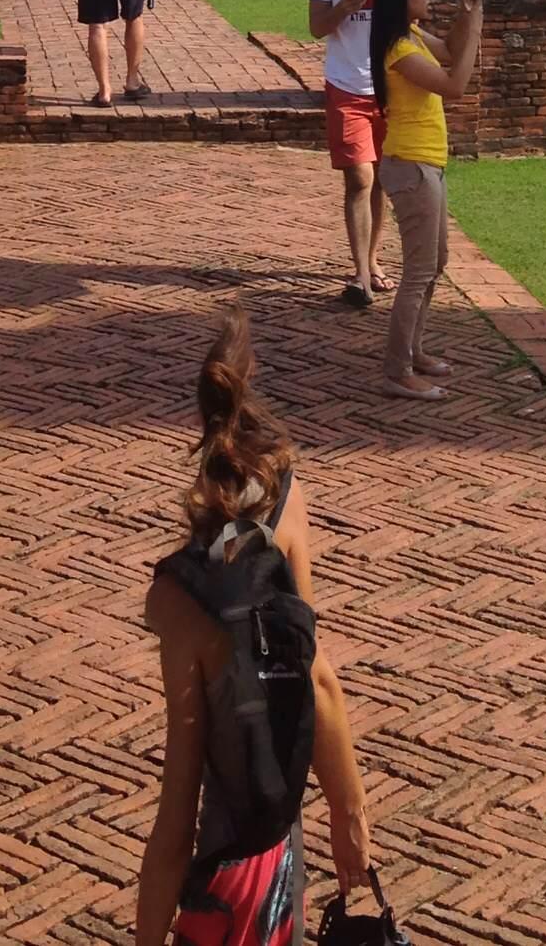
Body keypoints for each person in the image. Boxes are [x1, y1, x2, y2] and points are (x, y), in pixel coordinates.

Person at [136, 315, 385, 946]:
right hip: (282, 836)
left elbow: (174, 823)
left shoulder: (180, 598)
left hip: (227, 860)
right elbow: (317, 674)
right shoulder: (288, 500)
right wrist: (348, 811)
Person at [355, 0, 471, 397]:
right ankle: (396, 370)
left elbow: (453, 50)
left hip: (428, 164)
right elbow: (455, 85)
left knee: (435, 262)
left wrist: (467, 12)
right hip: (411, 167)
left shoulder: (413, 35)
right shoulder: (399, 49)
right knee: (419, 271)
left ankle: (414, 351)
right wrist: (477, 23)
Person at [307, 0, 395, 308]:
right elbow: (316, 27)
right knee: (359, 177)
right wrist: (342, 8)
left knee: (381, 179)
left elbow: (411, 22)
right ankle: (359, 273)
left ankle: (373, 260)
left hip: (390, 86)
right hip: (346, 84)